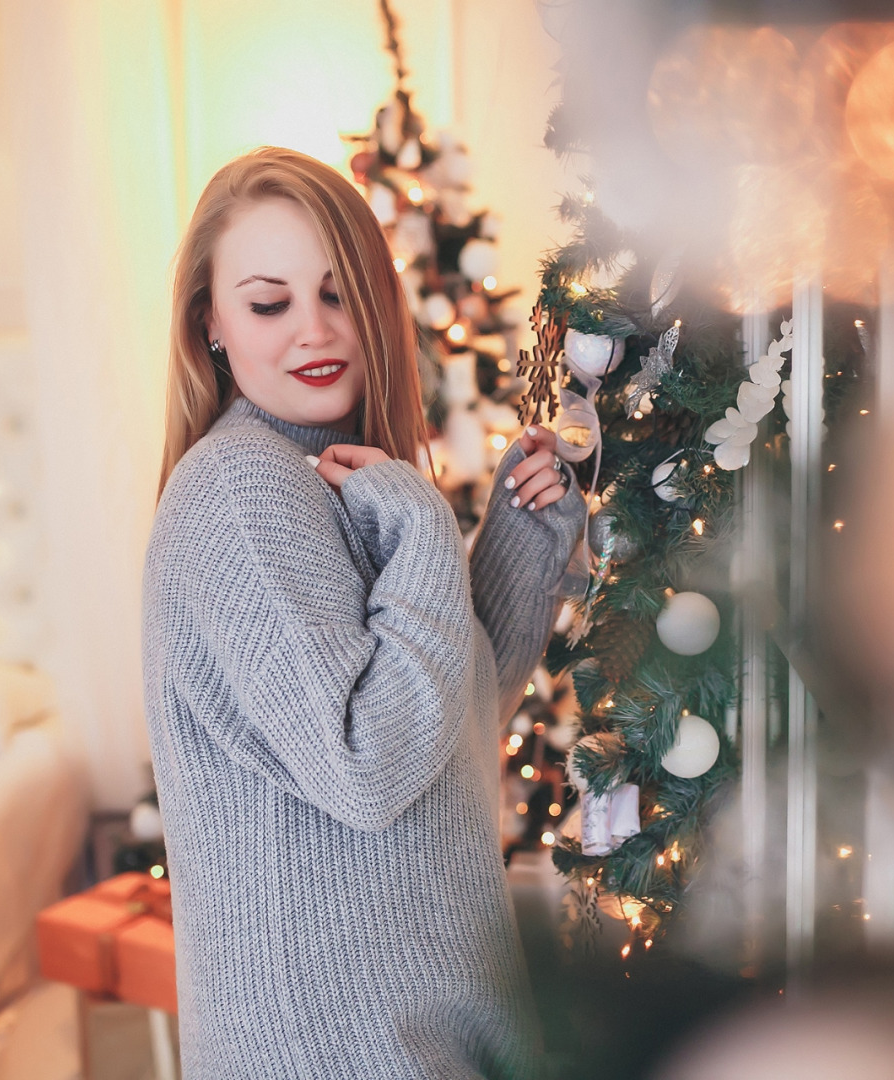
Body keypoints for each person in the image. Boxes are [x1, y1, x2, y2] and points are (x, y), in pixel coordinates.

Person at [141, 146, 585, 1077]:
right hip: (338, 1053)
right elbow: (370, 771)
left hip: (426, 1033)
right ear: (211, 324)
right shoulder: (242, 490)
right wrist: (425, 529)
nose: (316, 331)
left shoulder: (333, 473)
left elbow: (442, 732)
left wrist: (518, 540)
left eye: (340, 294)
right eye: (271, 302)